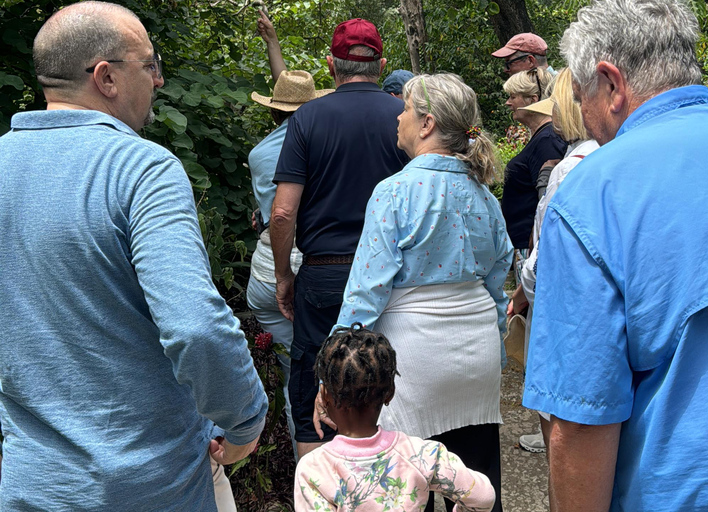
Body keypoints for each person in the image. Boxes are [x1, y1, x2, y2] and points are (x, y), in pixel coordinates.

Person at [0, 2, 269, 510]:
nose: (160, 80)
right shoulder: (142, 169)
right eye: (150, 64)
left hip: (34, 486)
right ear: (105, 77)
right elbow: (195, 325)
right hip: (153, 484)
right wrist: (245, 421)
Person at [523, 0, 708, 511]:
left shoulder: (593, 195)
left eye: (580, 95)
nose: (584, 118)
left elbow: (581, 420)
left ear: (611, 85)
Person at [322, 73, 512, 512]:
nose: (398, 117)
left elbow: (365, 295)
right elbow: (497, 284)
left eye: (405, 109)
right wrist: (498, 353)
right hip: (477, 356)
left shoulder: (394, 193)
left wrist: (334, 369)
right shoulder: (485, 197)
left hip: (416, 360)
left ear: (426, 123)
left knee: (409, 486)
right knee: (476, 483)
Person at [271, 18, 409, 459]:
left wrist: (282, 276)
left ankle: (319, 489)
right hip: (392, 278)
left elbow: (282, 211)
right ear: (382, 64)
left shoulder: (308, 117)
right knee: (386, 379)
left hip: (324, 274)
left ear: (331, 66)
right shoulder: (403, 118)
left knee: (315, 375)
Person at [247, 9, 334, 460]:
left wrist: (272, 42)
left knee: (293, 366)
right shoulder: (325, 140)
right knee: (328, 366)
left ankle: (304, 466)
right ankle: (333, 458)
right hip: (307, 267)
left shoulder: (261, 154)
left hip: (265, 270)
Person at [295, 324, 497, 512]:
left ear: (325, 396)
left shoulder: (314, 469)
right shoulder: (424, 454)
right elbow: (483, 496)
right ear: (389, 393)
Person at [508, 68, 599, 456]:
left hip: (563, 309)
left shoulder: (569, 166)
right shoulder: (612, 155)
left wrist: (523, 291)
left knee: (562, 431)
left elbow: (544, 261)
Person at [500, 69, 566, 290]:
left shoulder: (547, 139)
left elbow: (547, 200)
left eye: (513, 96)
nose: (508, 103)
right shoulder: (540, 137)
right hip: (526, 248)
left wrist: (535, 251)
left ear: (533, 100)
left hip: (534, 249)